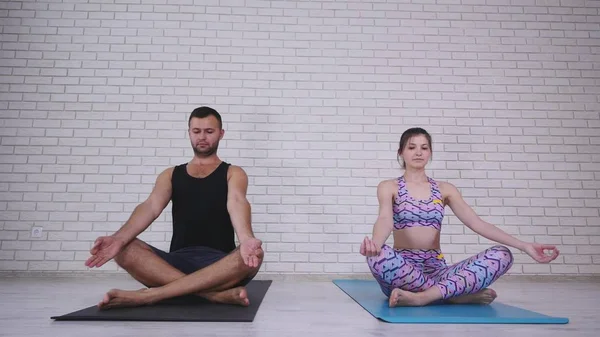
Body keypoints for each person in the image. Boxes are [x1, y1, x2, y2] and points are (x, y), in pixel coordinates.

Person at [85, 106, 264, 309]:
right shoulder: (170, 174)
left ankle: (150, 296)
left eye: (209, 131)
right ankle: (213, 295)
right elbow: (150, 207)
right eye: (196, 131)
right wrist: (118, 238)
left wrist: (246, 239)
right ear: (189, 133)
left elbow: (237, 202)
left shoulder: (233, 172)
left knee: (255, 253)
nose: (202, 137)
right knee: (124, 248)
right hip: (174, 264)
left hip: (220, 265)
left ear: (221, 134)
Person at [360, 127, 560, 307]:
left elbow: (476, 223)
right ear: (401, 152)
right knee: (378, 257)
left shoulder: (445, 189)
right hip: (402, 271)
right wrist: (375, 245)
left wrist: (523, 245)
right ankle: (452, 294)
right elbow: (385, 219)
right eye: (411, 147)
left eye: (424, 147)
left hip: (437, 271)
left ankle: (423, 297)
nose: (418, 152)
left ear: (430, 152)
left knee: (503, 255)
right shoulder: (389, 186)